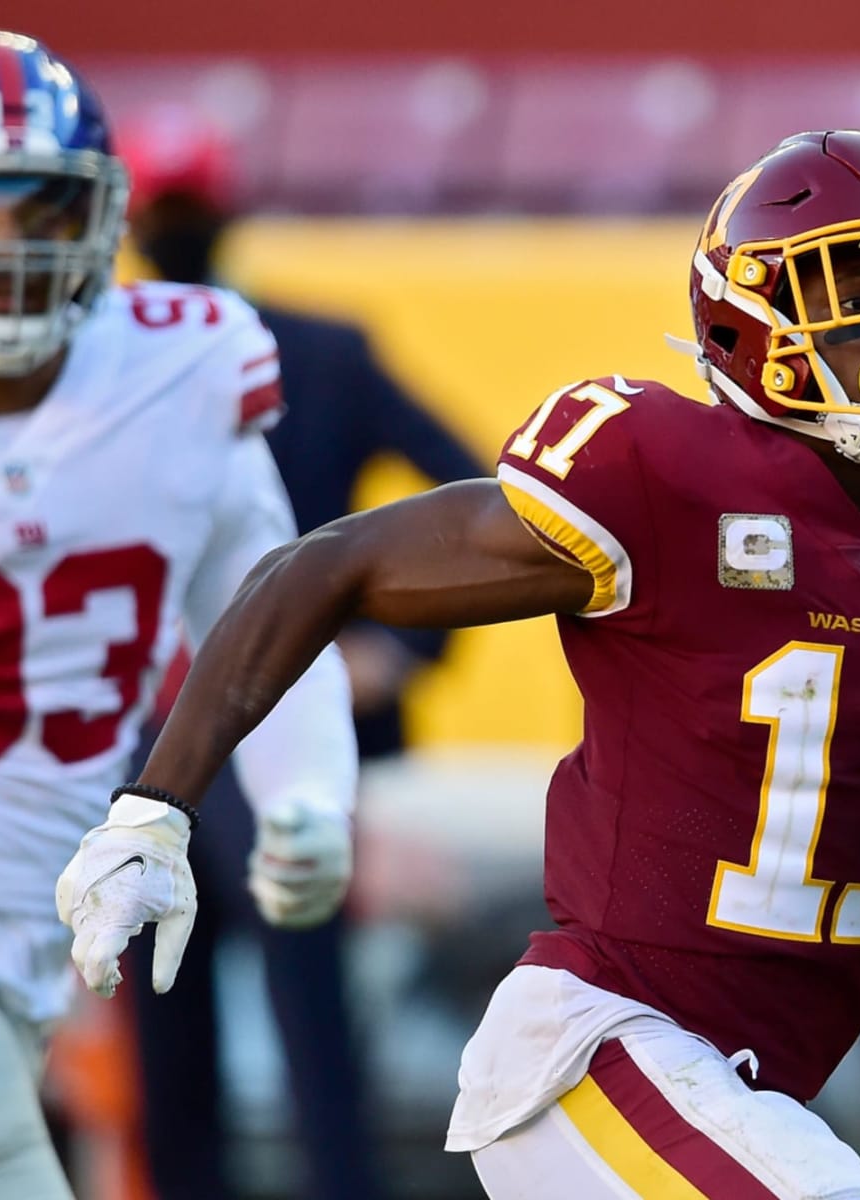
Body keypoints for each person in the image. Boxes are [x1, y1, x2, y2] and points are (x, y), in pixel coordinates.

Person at [57, 129, 860, 1200]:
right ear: (751, 318)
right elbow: (332, 564)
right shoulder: (660, 468)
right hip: (592, 1052)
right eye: (859, 300)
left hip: (751, 1095)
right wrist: (155, 808)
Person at [0, 29, 360, 1199]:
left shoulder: (179, 367)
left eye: (32, 206)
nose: (1, 247)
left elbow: (266, 604)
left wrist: (308, 796)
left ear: (99, 220)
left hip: (39, 903)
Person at [107, 102, 489, 1200]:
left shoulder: (314, 356)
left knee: (310, 1039)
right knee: (169, 1056)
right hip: (153, 739)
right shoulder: (107, 373)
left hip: (281, 733)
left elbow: (481, 499)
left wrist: (390, 647)